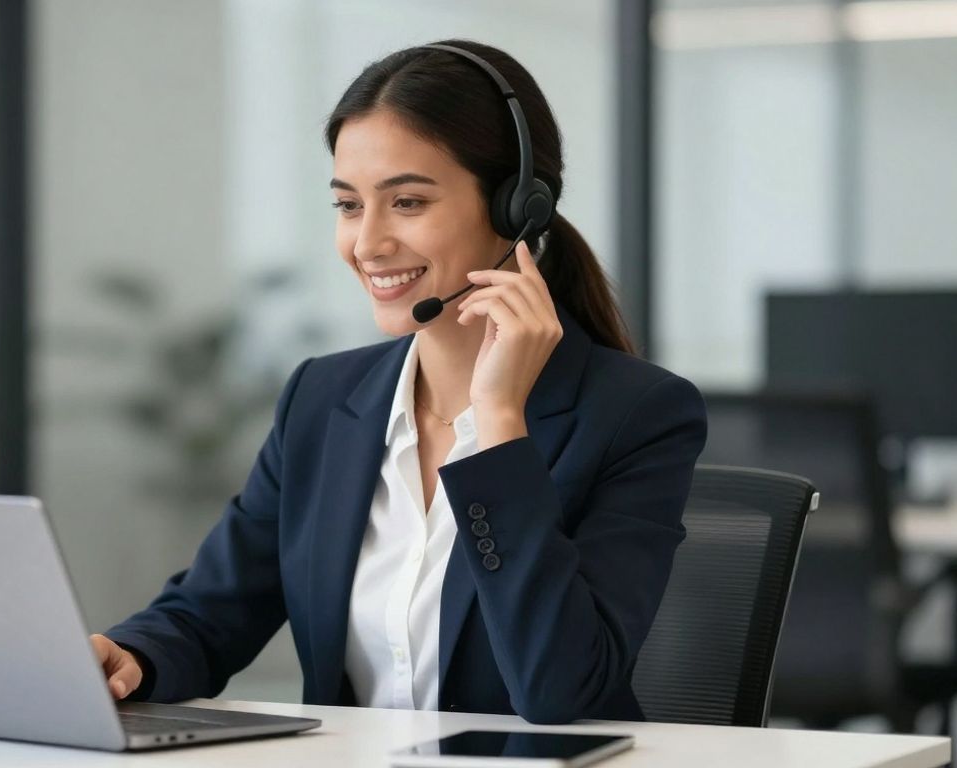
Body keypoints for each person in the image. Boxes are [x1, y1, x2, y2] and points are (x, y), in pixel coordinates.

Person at [89, 38, 707, 724]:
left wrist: (499, 423)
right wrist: (133, 657)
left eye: (407, 202)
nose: (368, 243)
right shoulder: (323, 401)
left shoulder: (636, 414)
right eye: (349, 205)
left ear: (516, 209)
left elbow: (563, 691)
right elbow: (211, 612)